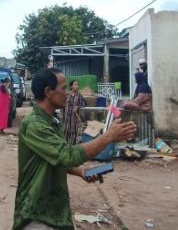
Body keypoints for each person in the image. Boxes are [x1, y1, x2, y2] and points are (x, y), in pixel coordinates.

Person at [13, 68, 137, 230]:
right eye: (63, 88)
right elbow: (66, 155)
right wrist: (108, 137)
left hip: (55, 208)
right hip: (35, 211)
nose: (68, 93)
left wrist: (80, 171)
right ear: (48, 92)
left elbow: (56, 157)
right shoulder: (35, 124)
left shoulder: (54, 120)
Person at [62, 79, 86, 144]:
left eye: (78, 85)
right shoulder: (67, 94)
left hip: (74, 118)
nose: (77, 86)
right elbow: (62, 103)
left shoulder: (79, 95)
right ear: (71, 86)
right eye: (75, 84)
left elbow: (84, 103)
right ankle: (65, 146)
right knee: (65, 132)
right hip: (66, 118)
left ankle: (72, 147)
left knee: (73, 133)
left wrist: (78, 106)